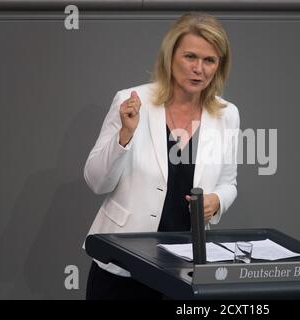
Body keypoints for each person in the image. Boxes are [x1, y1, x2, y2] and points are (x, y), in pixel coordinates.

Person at [83, 12, 239, 300]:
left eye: (209, 60)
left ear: (219, 66)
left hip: (185, 269)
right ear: (170, 57)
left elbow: (229, 183)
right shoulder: (130, 100)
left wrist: (217, 202)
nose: (199, 69)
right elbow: (96, 182)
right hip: (122, 264)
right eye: (190, 56)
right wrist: (124, 136)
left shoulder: (226, 114)